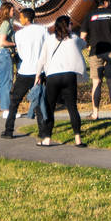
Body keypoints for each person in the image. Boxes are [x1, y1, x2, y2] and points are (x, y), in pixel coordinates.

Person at [34, 13, 87, 145]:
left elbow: (41, 59)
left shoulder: (49, 40)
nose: (72, 26)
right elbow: (84, 44)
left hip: (53, 76)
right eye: (70, 24)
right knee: (72, 107)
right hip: (69, 76)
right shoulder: (74, 38)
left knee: (50, 107)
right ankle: (78, 139)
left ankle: (46, 139)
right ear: (67, 25)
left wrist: (37, 76)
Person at [1, 7, 51, 136]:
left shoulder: (19, 34)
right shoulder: (43, 30)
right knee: (39, 101)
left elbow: (21, 55)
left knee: (14, 101)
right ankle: (43, 131)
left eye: (21, 17)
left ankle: (9, 130)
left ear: (26, 18)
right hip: (39, 71)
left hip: (25, 71)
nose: (20, 19)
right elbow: (48, 48)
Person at [0, 9, 13, 120]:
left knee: (0, 83)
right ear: (7, 11)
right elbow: (2, 42)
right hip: (4, 54)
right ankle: (6, 110)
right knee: (7, 82)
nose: (13, 12)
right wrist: (14, 44)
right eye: (12, 10)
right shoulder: (5, 23)